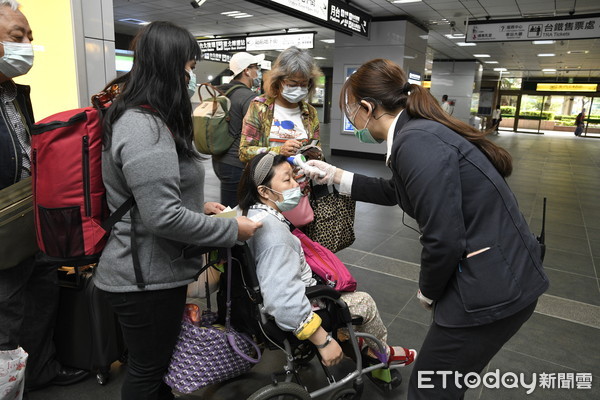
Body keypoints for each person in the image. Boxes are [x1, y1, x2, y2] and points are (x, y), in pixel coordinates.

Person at [304, 59, 549, 399]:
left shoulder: (416, 141)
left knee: (429, 389)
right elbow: (395, 192)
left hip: (491, 289)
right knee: (442, 386)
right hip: (501, 275)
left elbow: (444, 238)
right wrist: (334, 175)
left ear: (367, 107)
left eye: (352, 112)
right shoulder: (418, 131)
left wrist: (428, 291)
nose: (352, 121)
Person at [94, 21, 262, 400]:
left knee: (155, 369)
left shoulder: (148, 120)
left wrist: (197, 205)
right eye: (188, 68)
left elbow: (148, 196)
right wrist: (232, 230)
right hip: (143, 280)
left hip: (150, 273)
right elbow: (162, 217)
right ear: (169, 67)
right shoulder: (143, 127)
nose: (192, 77)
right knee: (147, 372)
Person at [237, 152, 417, 368]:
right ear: (264, 191)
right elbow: (282, 298)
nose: (297, 185)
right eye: (287, 180)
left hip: (258, 307)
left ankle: (352, 341)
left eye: (295, 177)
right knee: (364, 302)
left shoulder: (247, 216)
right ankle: (380, 353)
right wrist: (322, 340)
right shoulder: (275, 236)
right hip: (299, 306)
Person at [0, 0, 88, 391]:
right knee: (7, 311)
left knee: (42, 297)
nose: (26, 47)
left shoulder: (17, 93)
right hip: (2, 230)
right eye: (16, 37)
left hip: (31, 219)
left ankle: (41, 370)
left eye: (29, 38)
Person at [239, 46, 321, 163]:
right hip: (270, 179)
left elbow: (317, 149)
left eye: (304, 84)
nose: (298, 88)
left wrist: (314, 154)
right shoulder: (260, 107)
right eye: (292, 84)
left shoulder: (310, 112)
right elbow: (244, 152)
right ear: (278, 81)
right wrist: (278, 151)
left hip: (301, 180)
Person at [212, 51, 264, 207]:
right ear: (247, 71)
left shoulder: (222, 91)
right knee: (234, 209)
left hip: (220, 158)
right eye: (256, 67)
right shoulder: (248, 97)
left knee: (229, 206)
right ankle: (230, 231)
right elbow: (258, 130)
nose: (258, 72)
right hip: (236, 163)